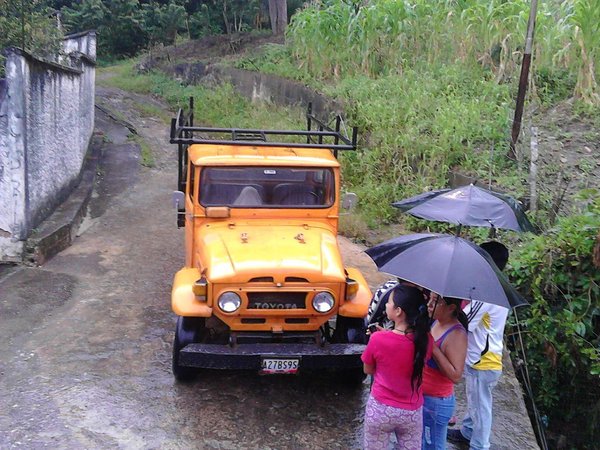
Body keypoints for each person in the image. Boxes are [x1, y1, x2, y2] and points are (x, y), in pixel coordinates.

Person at [447, 241, 510, 450]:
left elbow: (466, 321)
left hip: (483, 362)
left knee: (481, 408)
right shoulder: (497, 289)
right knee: (475, 401)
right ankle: (466, 432)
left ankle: (480, 445)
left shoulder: (488, 294)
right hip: (485, 358)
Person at [362, 284, 432, 450]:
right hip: (412, 413)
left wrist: (381, 337)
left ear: (398, 311)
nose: (386, 304)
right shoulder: (426, 340)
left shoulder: (378, 339)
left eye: (389, 302)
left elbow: (368, 370)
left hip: (380, 410)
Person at [421, 294, 468, 450]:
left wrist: (434, 348)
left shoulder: (457, 334)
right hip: (422, 397)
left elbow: (456, 375)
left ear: (451, 307)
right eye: (430, 299)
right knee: (421, 443)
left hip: (437, 402)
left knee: (434, 445)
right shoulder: (436, 322)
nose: (429, 304)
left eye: (435, 301)